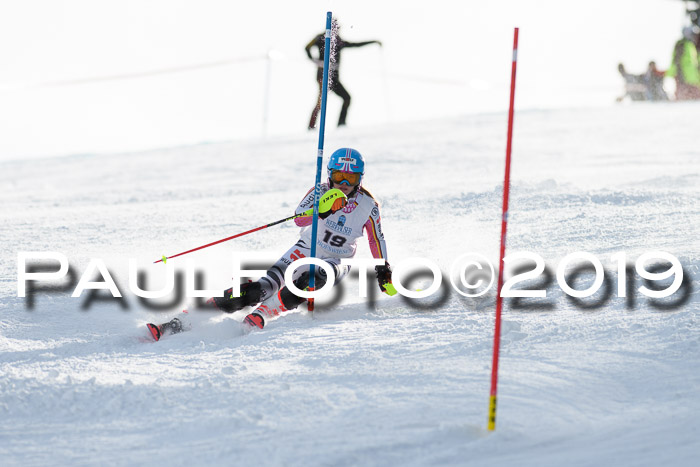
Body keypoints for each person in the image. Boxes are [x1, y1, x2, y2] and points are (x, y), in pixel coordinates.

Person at [210, 147, 393, 330]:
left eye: (351, 178)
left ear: (360, 179)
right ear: (330, 175)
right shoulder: (319, 191)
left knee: (315, 279)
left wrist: (382, 268)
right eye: (339, 176)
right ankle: (206, 309)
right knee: (263, 288)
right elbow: (298, 218)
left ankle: (262, 314)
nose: (344, 183)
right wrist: (323, 209)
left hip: (338, 259)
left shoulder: (369, 206)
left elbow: (376, 239)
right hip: (306, 247)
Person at [306, 21, 382, 129]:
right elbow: (307, 47)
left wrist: (373, 42)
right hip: (323, 75)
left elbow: (355, 45)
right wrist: (316, 61)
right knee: (321, 101)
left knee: (346, 98)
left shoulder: (338, 41)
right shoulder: (321, 38)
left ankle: (341, 124)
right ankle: (311, 126)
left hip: (334, 78)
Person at [666, 26, 700, 100]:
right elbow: (677, 60)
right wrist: (677, 73)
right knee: (685, 94)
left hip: (692, 75)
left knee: (694, 94)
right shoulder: (682, 44)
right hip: (684, 74)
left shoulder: (690, 44)